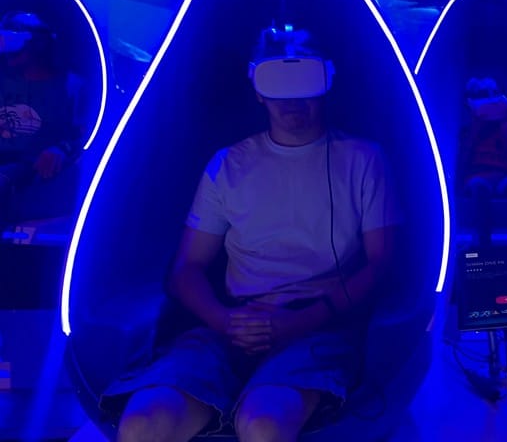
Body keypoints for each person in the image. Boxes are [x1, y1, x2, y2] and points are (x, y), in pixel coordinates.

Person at [102, 25, 401, 442]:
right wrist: (224, 321)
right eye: (278, 80)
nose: (292, 99)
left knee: (263, 424)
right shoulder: (228, 164)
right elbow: (187, 268)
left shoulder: (364, 160)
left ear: (325, 80)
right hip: (231, 323)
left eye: (303, 78)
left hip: (316, 326)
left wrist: (298, 322)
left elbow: (382, 263)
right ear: (259, 88)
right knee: (143, 424)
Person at [0, 11, 86, 225]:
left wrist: (61, 149)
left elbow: (85, 135)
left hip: (29, 166)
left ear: (39, 44)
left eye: (17, 50)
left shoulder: (72, 86)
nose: (9, 55)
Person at [457, 76, 507, 199]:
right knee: (478, 188)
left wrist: (505, 131)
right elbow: (462, 164)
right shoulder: (467, 132)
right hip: (478, 175)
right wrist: (475, 127)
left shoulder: (506, 129)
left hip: (504, 175)